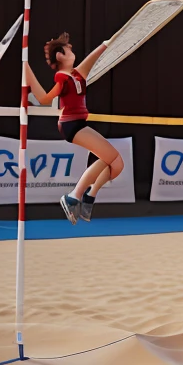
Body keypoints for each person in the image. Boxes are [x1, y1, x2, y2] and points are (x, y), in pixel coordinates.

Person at [23, 29, 125, 223]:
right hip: (70, 125)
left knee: (117, 164)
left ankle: (89, 195)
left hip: (79, 123)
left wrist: (109, 41)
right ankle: (74, 196)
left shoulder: (78, 74)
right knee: (111, 158)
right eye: (68, 50)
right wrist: (26, 69)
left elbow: (94, 56)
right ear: (60, 55)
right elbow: (44, 99)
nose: (72, 51)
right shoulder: (62, 78)